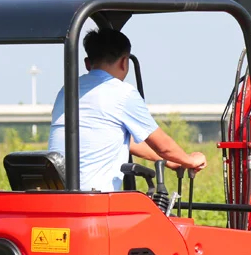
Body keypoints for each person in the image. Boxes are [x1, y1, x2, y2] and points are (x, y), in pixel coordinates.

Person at [49, 28, 207, 191]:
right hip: (95, 201)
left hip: (57, 194)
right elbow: (163, 146)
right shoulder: (122, 93)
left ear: (88, 63)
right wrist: (190, 160)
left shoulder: (67, 90)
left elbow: (114, 139)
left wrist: (171, 160)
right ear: (124, 62)